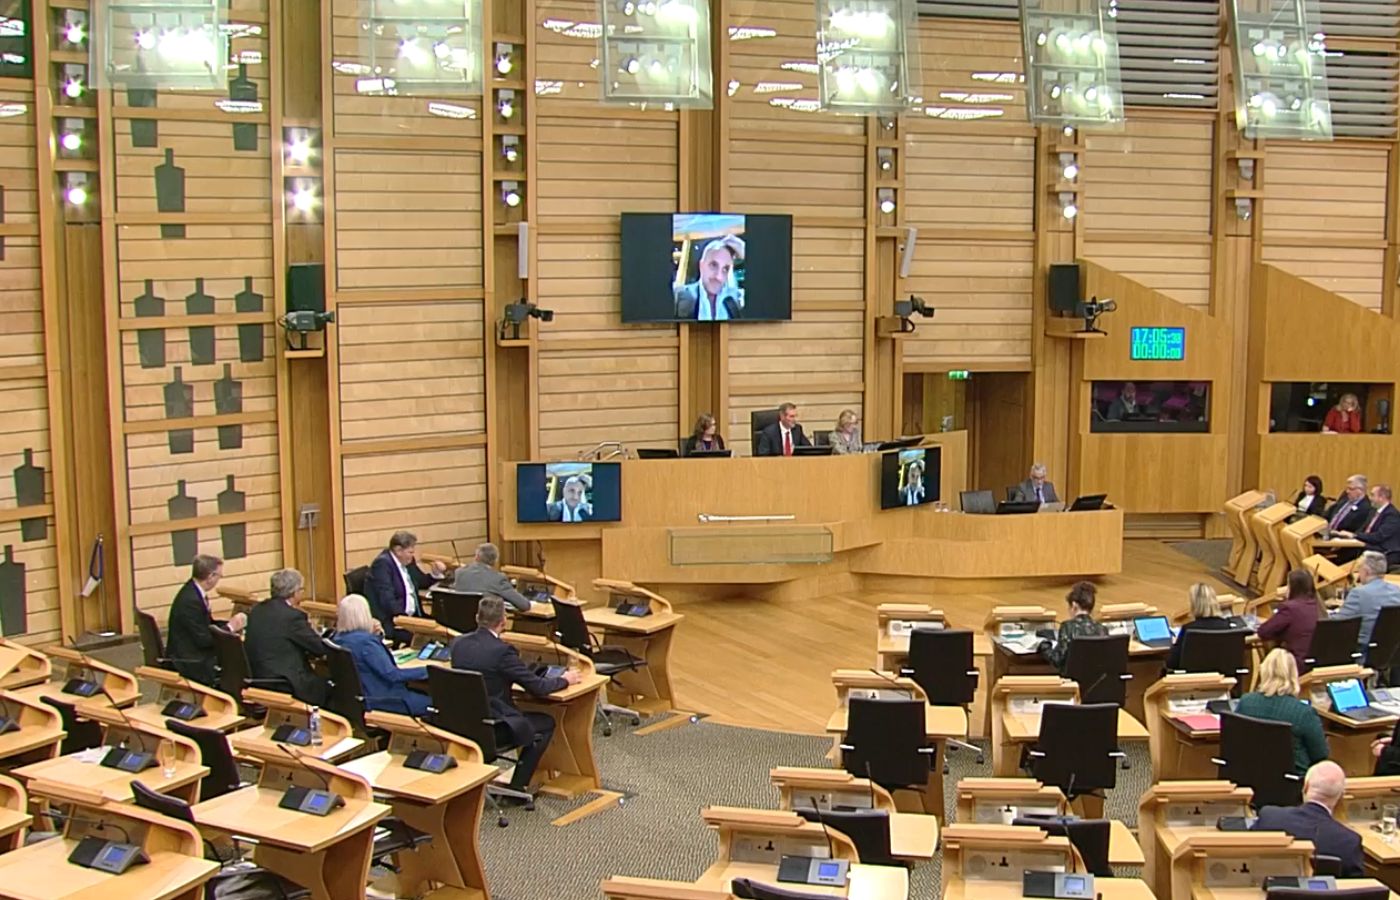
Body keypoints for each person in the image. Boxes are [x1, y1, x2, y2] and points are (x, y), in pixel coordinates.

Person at [450, 597, 582, 796]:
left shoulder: (458, 644)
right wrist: (566, 679)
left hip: (464, 723)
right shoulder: (502, 652)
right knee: (546, 722)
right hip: (495, 726)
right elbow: (538, 688)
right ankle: (518, 786)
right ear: (504, 622)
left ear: (477, 617)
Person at [1251, 761, 1363, 876]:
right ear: (1341, 795)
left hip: (1273, 893)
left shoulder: (1269, 817)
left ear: (1305, 786)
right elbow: (1357, 889)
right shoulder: (1349, 841)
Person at [331, 594, 430, 717]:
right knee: (436, 704)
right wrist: (429, 670)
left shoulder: (338, 639)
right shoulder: (366, 643)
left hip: (364, 698)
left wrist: (375, 636)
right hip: (387, 700)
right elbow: (393, 675)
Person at [1237, 648, 1329, 776]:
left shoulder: (1245, 703)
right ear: (1293, 675)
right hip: (1293, 783)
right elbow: (1320, 755)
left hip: (1250, 778)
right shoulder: (1304, 713)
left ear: (1264, 672)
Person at [243, 569, 329, 706]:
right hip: (283, 682)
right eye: (301, 589)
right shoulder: (292, 617)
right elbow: (319, 648)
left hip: (258, 676)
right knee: (331, 685)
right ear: (294, 592)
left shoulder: (257, 610)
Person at [165, 554, 245, 687]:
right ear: (210, 577)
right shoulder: (191, 601)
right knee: (238, 659)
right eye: (219, 575)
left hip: (190, 651)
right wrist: (230, 628)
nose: (219, 579)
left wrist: (227, 624)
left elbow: (207, 624)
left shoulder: (192, 591)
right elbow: (205, 640)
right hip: (191, 661)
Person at [367, 531, 445, 642]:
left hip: (414, 617)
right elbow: (387, 601)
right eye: (410, 552)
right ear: (398, 550)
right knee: (433, 638)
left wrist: (435, 574)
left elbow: (420, 581)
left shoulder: (407, 560)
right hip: (395, 621)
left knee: (444, 628)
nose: (412, 556)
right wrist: (408, 621)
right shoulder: (382, 565)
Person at [1258, 569, 1324, 672]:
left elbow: (1264, 632)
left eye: (1288, 585)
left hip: (1296, 664)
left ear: (1293, 588)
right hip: (1318, 662)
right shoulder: (1319, 606)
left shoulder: (1290, 608)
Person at [1338, 551, 1400, 655]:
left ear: (1366, 572)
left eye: (1359, 570)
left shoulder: (1358, 593)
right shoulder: (1397, 591)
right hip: (1392, 651)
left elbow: (1339, 623)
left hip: (1363, 650)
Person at [1039, 581, 1108, 675]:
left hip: (1072, 682)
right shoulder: (1102, 629)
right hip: (1097, 682)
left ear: (1074, 606)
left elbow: (1057, 660)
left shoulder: (1068, 627)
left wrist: (1044, 645)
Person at [673, 234, 745, 321]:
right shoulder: (678, 297)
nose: (719, 277)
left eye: (725, 269)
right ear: (701, 266)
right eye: (713, 265)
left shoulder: (734, 300)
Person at [1166, 583, 1233, 672]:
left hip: (1190, 679)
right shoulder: (1227, 626)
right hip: (1222, 677)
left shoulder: (1188, 629)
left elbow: (1173, 662)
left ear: (1194, 605)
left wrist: (1174, 645)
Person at [452, 542, 531, 612]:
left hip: (460, 624)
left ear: (477, 557)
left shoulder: (459, 572)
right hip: (485, 624)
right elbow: (524, 605)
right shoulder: (498, 579)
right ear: (495, 561)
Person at [1337, 484, 1400, 570]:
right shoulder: (1373, 511)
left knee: (1346, 559)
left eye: (1372, 495)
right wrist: (1351, 536)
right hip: (1367, 546)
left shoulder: (1392, 515)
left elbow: (1379, 536)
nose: (1370, 498)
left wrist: (1355, 536)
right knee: (1339, 553)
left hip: (1383, 552)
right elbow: (1363, 529)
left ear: (1382, 497)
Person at [1324, 475, 1372, 563]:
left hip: (1341, 545)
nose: (1347, 491)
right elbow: (1328, 514)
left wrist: (1338, 536)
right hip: (1325, 535)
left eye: (1350, 489)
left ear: (1360, 490)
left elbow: (1357, 532)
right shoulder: (1345, 499)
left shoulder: (1366, 508)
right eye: (1347, 488)